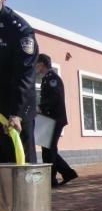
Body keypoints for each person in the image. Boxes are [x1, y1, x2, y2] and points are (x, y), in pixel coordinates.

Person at [0, 0, 38, 163]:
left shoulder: (20, 30)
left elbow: (25, 75)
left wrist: (16, 113)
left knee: (21, 169)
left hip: (17, 109)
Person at [36, 53, 77, 186]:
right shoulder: (46, 78)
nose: (35, 67)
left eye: (36, 64)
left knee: (49, 150)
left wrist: (40, 107)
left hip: (53, 119)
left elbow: (54, 98)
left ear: (41, 64)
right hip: (48, 119)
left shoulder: (52, 78)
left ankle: (52, 180)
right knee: (48, 149)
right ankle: (67, 173)